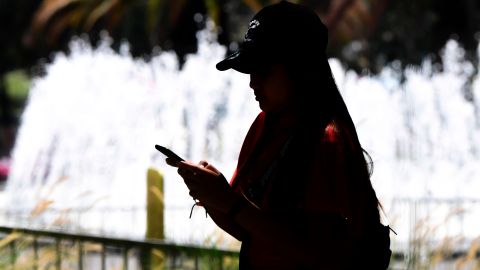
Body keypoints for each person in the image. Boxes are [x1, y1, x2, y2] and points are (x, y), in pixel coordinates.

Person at [167, 1, 391, 269]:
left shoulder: (325, 140)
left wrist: (230, 202)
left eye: (264, 71)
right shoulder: (265, 125)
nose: (252, 82)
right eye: (251, 70)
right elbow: (251, 233)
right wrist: (211, 195)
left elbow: (318, 253)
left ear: (300, 70)